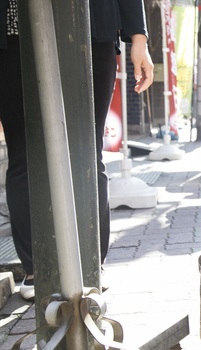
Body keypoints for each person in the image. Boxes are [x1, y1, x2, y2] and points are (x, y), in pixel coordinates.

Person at [0, 0, 154, 301]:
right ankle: (37, 268)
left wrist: (138, 37)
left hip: (90, 26)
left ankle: (90, 262)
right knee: (24, 154)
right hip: (14, 30)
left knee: (85, 150)